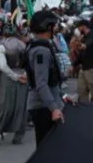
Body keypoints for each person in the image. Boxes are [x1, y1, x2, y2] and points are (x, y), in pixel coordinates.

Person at [26, 10, 65, 145]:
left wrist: (62, 96)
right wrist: (54, 108)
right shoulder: (41, 51)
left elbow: (51, 81)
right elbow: (41, 83)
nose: (56, 28)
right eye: (54, 25)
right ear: (47, 26)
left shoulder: (41, 46)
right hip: (43, 107)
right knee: (46, 149)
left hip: (46, 104)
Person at [0, 23, 30, 144]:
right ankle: (18, 137)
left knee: (3, 108)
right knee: (21, 108)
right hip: (23, 77)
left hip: (7, 78)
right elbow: (28, 63)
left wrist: (15, 77)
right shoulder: (23, 44)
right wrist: (24, 75)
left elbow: (2, 66)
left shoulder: (2, 45)